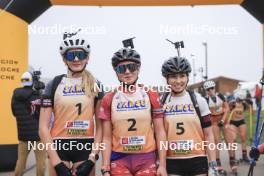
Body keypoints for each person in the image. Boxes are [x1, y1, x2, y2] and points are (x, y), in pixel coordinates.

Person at [39, 32, 104, 176]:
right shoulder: (54, 84)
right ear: (64, 60)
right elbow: (43, 127)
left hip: (85, 146)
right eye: (70, 55)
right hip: (58, 146)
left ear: (87, 58)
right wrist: (57, 164)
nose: (76, 59)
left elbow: (101, 127)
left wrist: (92, 159)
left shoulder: (96, 85)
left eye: (80, 55)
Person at [99, 47, 167, 176]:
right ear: (116, 72)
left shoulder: (150, 94)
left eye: (132, 67)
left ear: (138, 68)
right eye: (121, 68)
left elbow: (160, 132)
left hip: (146, 159)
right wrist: (105, 167)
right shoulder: (109, 98)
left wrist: (162, 165)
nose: (127, 72)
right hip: (119, 159)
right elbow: (106, 137)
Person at [161, 56, 217, 176]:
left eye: (182, 76)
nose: (178, 81)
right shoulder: (161, 102)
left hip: (197, 159)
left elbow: (208, 134)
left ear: (187, 77)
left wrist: (213, 164)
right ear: (167, 78)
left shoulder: (198, 100)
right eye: (173, 76)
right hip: (172, 161)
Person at [11, 71, 46, 176]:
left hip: (23, 135)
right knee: (41, 162)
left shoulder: (15, 95)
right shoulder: (36, 95)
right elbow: (42, 113)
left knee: (21, 161)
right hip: (38, 135)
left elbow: (14, 112)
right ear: (32, 81)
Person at [203, 80, 229, 174]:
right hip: (214, 122)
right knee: (217, 142)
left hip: (223, 119)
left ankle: (232, 160)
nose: (210, 91)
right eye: (208, 89)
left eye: (212, 88)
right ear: (206, 91)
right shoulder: (205, 100)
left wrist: (223, 120)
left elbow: (227, 108)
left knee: (229, 140)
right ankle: (218, 164)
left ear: (215, 88)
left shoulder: (221, 96)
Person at [225, 97, 250, 163]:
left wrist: (248, 103)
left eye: (240, 100)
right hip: (233, 122)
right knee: (233, 139)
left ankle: (244, 156)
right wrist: (231, 105)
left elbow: (249, 109)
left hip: (241, 121)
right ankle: (233, 158)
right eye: (238, 99)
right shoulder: (233, 103)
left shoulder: (243, 104)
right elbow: (228, 109)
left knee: (243, 138)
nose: (239, 100)